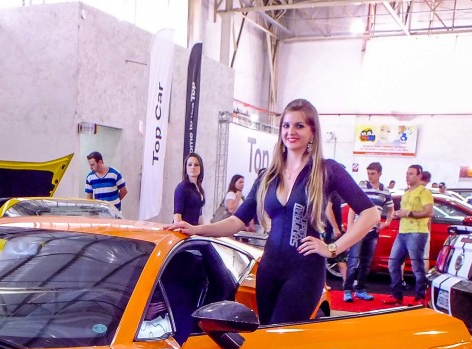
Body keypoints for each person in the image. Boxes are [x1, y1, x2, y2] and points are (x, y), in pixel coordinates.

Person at [168, 98, 379, 325]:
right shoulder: (269, 175)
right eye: (286, 125)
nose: (291, 131)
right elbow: (237, 221)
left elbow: (371, 214)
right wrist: (196, 229)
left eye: (299, 126)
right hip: (269, 268)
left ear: (313, 132)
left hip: (305, 271)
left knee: (280, 333)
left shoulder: (327, 171)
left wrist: (332, 248)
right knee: (267, 334)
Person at [342, 162, 394, 303]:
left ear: (379, 174)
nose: (370, 176)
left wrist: (387, 223)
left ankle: (360, 289)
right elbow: (352, 207)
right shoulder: (362, 187)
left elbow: (390, 209)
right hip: (359, 229)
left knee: (366, 262)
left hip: (373, 231)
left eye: (373, 173)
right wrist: (351, 227)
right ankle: (347, 290)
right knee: (353, 261)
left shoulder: (385, 191)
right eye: (368, 173)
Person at [386, 164, 434, 305]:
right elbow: (406, 212)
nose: (408, 176)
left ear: (420, 175)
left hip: (417, 232)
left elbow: (429, 212)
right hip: (403, 232)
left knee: (417, 266)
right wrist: (399, 214)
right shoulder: (406, 193)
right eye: (407, 173)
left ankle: (420, 297)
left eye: (411, 173)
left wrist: (408, 213)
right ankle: (397, 295)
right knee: (393, 263)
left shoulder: (424, 192)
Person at [173, 153, 206, 226]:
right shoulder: (182, 187)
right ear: (186, 167)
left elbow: (199, 214)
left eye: (196, 165)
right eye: (190, 165)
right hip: (183, 232)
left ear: (201, 168)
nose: (193, 167)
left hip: (194, 231)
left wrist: (204, 231)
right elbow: (177, 216)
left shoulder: (199, 188)